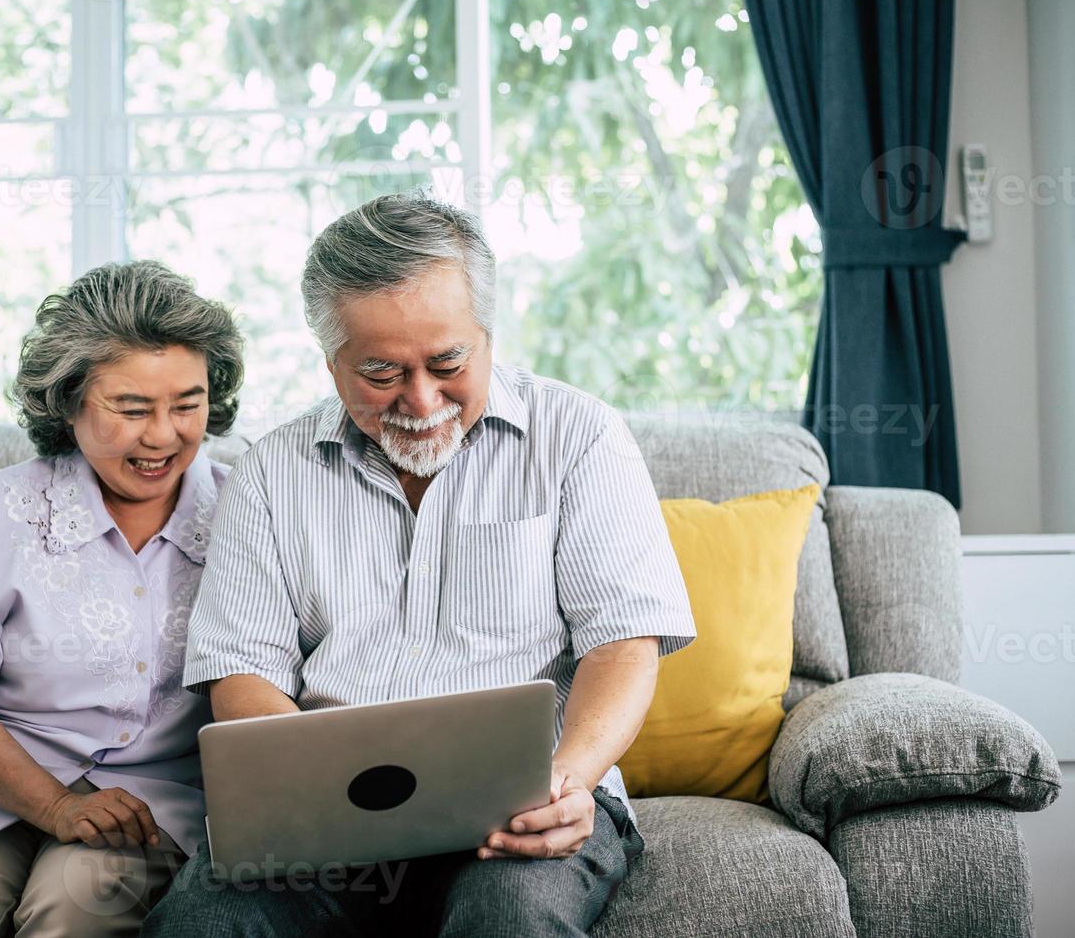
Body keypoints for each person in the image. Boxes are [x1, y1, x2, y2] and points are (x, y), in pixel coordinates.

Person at [143, 193, 694, 936]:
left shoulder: (580, 437)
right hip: (321, 818)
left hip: (530, 801)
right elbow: (242, 671)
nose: (422, 400)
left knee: (509, 916)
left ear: (487, 335)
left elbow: (624, 642)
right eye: (381, 372)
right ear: (330, 360)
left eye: (448, 362)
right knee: (200, 924)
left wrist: (567, 781)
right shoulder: (271, 471)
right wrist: (316, 794)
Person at [0, 261, 244, 936]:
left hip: (155, 798)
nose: (163, 436)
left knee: (75, 911)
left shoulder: (247, 511)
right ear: (67, 402)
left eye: (187, 404)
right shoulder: (1, 506)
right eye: (131, 408)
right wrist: (57, 806)